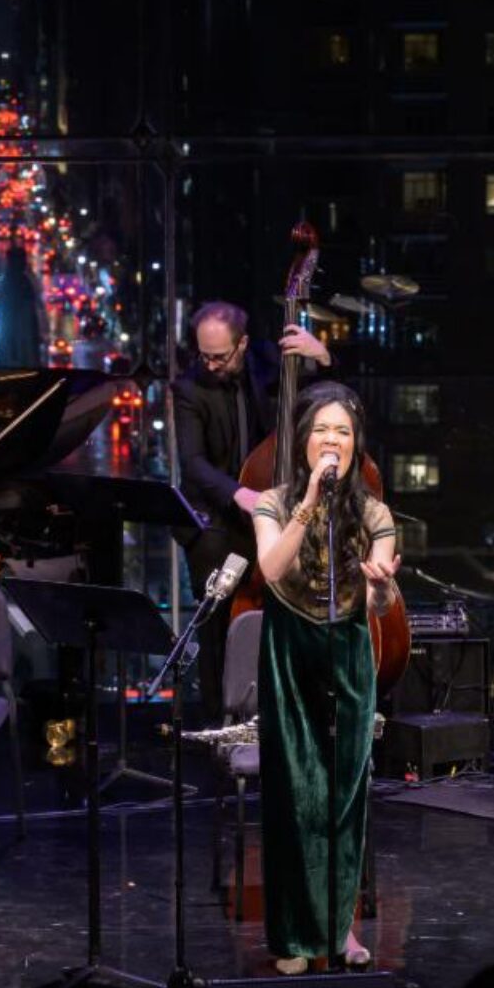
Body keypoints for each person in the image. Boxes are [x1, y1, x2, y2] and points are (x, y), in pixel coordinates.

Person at [249, 384, 398, 974]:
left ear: (356, 443)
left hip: (348, 653)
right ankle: (293, 938)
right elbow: (271, 568)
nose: (331, 440)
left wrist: (382, 587)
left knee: (343, 798)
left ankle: (341, 931)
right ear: (303, 441)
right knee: (294, 797)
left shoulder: (374, 513)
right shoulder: (272, 502)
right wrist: (308, 503)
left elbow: (381, 603)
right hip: (289, 651)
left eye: (342, 431)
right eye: (321, 430)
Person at [172, 299, 333, 721]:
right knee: (215, 621)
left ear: (242, 344)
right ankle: (216, 720)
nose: (210, 365)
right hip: (215, 517)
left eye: (219, 356)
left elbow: (321, 406)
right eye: (203, 355)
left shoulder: (267, 363)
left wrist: (320, 359)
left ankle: (281, 709)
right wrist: (239, 494)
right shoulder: (188, 388)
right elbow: (193, 464)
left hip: (267, 509)